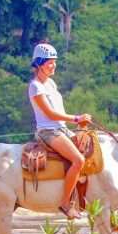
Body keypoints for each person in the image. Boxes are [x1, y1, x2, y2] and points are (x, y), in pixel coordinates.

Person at [27, 42, 93, 218]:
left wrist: (77, 124)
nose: (53, 65)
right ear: (39, 64)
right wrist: (76, 119)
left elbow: (58, 112)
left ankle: (83, 197)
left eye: (54, 62)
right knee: (78, 160)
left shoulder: (51, 83)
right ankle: (64, 203)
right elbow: (50, 113)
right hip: (48, 132)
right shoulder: (35, 86)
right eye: (50, 62)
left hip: (61, 129)